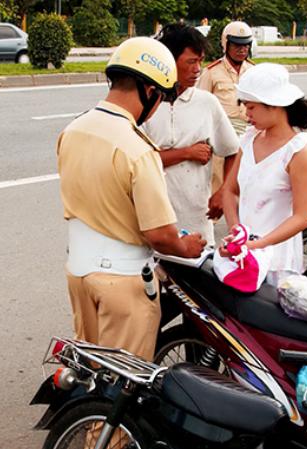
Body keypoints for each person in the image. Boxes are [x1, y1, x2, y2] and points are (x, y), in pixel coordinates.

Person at [57, 37, 206, 360]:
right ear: (149, 90)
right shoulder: (138, 150)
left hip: (79, 271)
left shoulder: (73, 130)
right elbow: (160, 235)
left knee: (91, 371)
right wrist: (186, 246)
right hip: (122, 281)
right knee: (122, 386)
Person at [220, 63, 307, 286]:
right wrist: (236, 230)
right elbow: (229, 190)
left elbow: (302, 217)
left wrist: (258, 244)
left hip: (277, 261)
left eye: (252, 107)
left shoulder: (298, 151)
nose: (246, 114)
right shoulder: (248, 140)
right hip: (244, 255)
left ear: (275, 105)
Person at [142, 23, 239, 245]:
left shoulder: (207, 103)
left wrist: (224, 192)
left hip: (197, 223)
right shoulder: (145, 104)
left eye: (200, 61)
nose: (198, 69)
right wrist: (186, 153)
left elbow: (233, 151)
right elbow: (138, 163)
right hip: (153, 224)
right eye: (191, 62)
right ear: (169, 62)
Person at [197, 20, 255, 135]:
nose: (242, 50)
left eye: (246, 45)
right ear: (226, 45)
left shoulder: (254, 71)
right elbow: (200, 105)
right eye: (237, 45)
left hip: (250, 129)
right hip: (223, 130)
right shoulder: (211, 72)